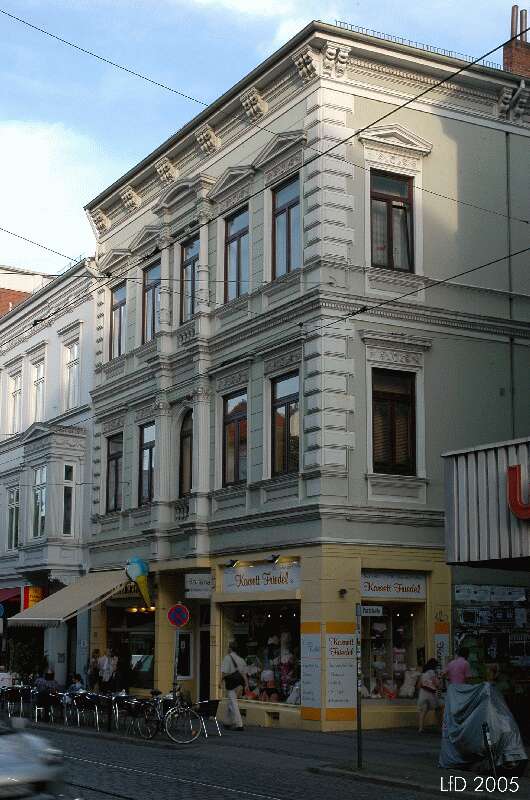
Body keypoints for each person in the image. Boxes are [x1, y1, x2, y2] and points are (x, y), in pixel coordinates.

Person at [220, 641, 248, 731]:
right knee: (230, 702)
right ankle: (227, 722)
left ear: (230, 648)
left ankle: (239, 724)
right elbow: (244, 674)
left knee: (233, 703)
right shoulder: (241, 659)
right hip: (239, 684)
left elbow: (224, 672)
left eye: (228, 647)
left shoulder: (227, 658)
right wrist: (246, 684)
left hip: (231, 684)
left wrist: (220, 682)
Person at [417, 658, 442, 733]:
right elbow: (435, 683)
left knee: (423, 711)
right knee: (438, 709)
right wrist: (439, 682)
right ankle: (439, 726)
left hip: (422, 693)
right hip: (430, 693)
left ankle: (421, 728)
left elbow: (419, 685)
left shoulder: (423, 673)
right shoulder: (431, 672)